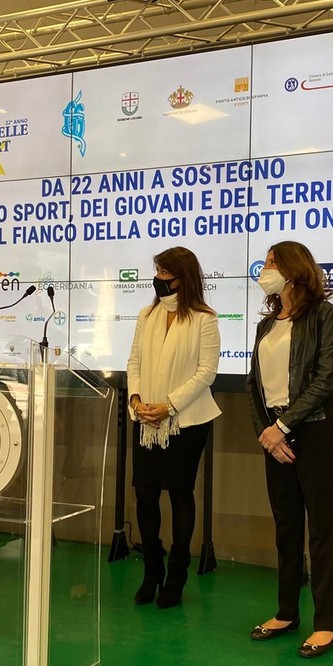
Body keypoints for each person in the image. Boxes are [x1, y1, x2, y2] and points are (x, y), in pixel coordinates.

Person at [246, 240, 333, 658]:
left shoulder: (324, 315)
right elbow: (253, 384)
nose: (264, 269)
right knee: (286, 527)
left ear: (292, 269)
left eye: (272, 262)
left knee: (321, 530)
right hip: (275, 436)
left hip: (317, 431)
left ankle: (326, 624)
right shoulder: (266, 324)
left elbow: (325, 379)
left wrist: (283, 426)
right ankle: (286, 612)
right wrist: (267, 433)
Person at [127, 246, 221, 608]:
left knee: (180, 494)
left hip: (186, 421)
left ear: (184, 277)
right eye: (158, 272)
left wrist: (169, 406)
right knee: (145, 493)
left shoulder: (203, 318)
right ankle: (152, 570)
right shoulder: (146, 314)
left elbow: (206, 372)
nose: (159, 279)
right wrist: (137, 401)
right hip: (146, 418)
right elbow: (134, 362)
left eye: (166, 273)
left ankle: (177, 576)